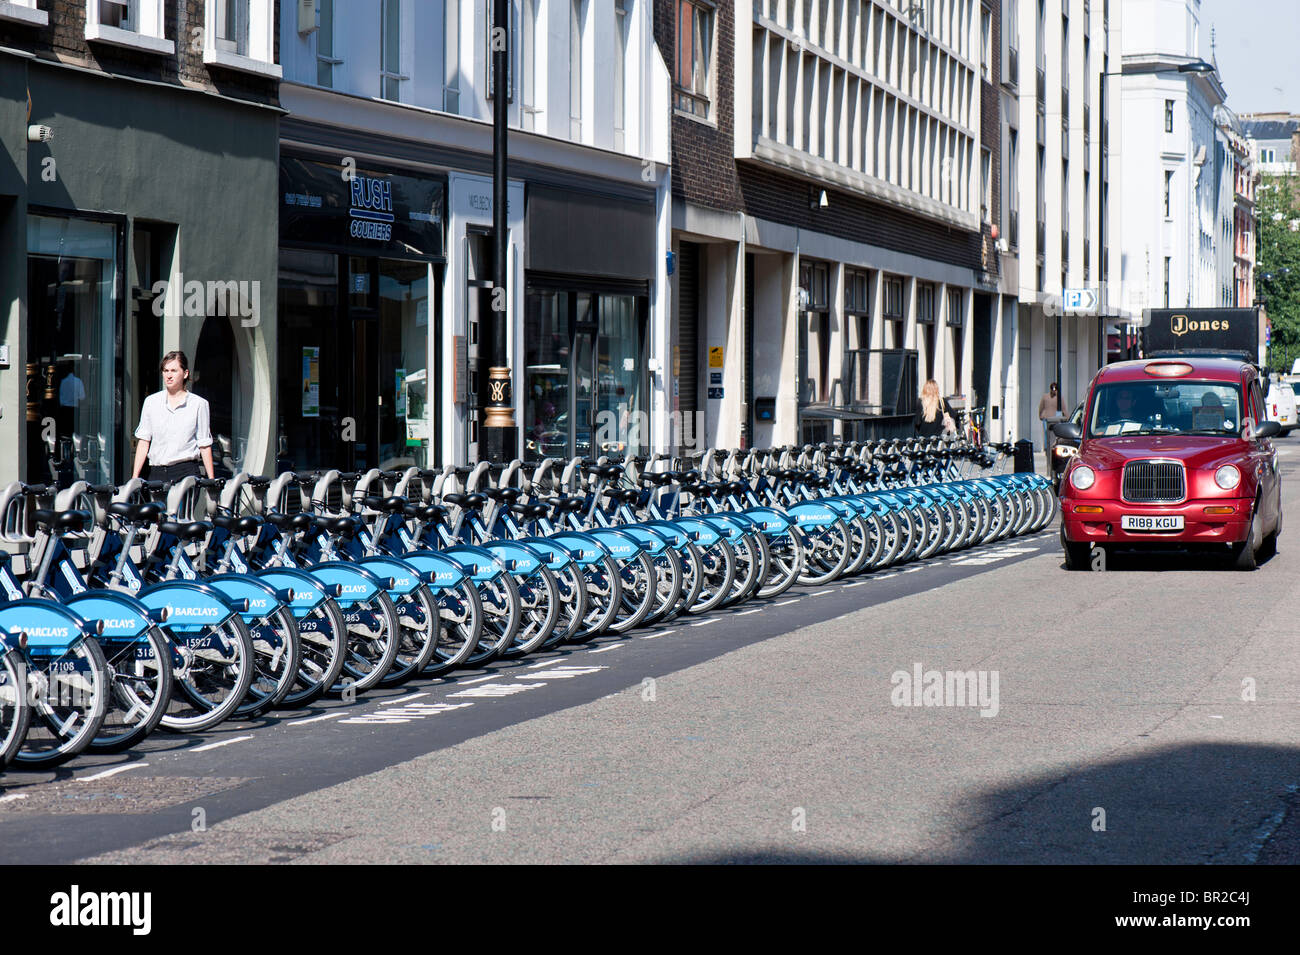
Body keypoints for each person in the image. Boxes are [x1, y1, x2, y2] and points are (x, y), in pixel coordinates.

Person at [131, 350, 214, 482]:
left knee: (180, 503)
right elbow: (144, 441)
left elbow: (204, 444)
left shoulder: (198, 404)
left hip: (186, 472)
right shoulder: (151, 402)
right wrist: (135, 477)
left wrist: (211, 480)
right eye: (165, 371)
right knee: (158, 504)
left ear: (185, 373)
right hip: (157, 472)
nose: (169, 375)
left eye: (174, 371)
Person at [1038, 382, 1064, 466]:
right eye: (1052, 389)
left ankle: (1053, 449)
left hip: (1056, 419)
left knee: (1056, 436)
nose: (1054, 391)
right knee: (1047, 435)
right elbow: (1041, 407)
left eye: (1055, 389)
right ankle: (1047, 449)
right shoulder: (1045, 397)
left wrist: (1067, 418)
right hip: (1047, 419)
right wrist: (1041, 415)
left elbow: (1064, 408)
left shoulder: (1059, 398)